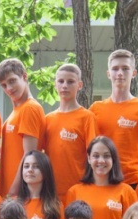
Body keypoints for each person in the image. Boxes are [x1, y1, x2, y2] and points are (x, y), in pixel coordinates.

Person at [90, 49, 138, 188]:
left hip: (132, 183)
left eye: (125, 68)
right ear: (108, 74)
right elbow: (87, 149)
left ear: (134, 73)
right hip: (101, 183)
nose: (120, 73)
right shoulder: (95, 108)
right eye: (115, 69)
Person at [65, 136, 137, 219]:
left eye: (106, 156)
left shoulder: (126, 192)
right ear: (89, 158)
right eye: (96, 156)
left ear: (113, 159)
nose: (101, 160)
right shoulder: (74, 192)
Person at [41, 63, 97, 198]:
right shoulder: (47, 119)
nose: (65, 85)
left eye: (70, 82)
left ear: (80, 85)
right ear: (55, 84)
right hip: (51, 192)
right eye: (61, 81)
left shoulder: (87, 117)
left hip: (78, 191)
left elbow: (94, 155)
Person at [0, 58, 44, 196]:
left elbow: (29, 156)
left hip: (20, 193)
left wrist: (13, 192)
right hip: (8, 189)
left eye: (12, 81)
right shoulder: (17, 110)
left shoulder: (30, 108)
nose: (9, 88)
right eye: (4, 85)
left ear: (24, 76)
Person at [12, 150, 64, 219]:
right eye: (26, 166)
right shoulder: (13, 204)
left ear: (45, 172)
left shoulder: (55, 206)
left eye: (36, 166)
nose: (30, 170)